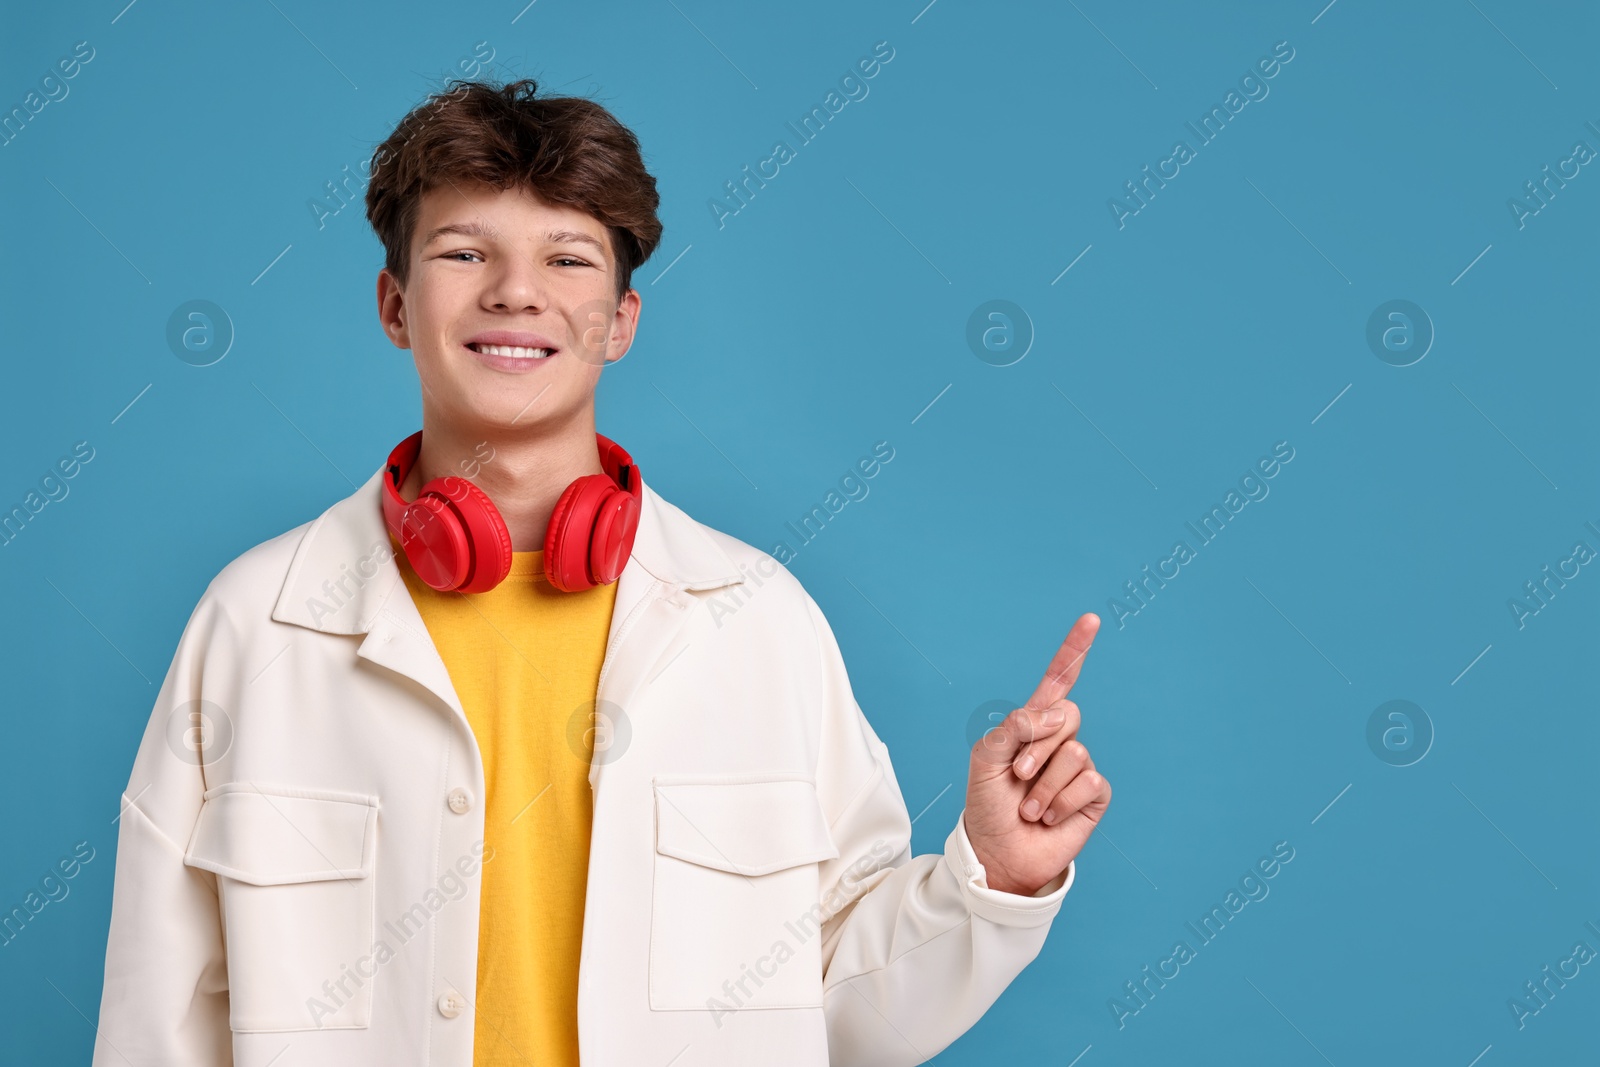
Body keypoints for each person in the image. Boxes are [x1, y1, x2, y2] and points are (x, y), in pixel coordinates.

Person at [91, 77, 1111, 1067]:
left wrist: (995, 879)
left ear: (620, 321)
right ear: (395, 305)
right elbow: (158, 1014)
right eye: (463, 250)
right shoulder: (255, 623)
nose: (516, 291)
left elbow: (835, 1008)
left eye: (568, 259)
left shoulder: (755, 621)